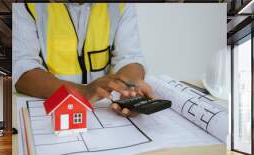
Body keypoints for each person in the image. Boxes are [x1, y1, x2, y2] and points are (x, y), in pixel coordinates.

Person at [13, 3, 154, 116]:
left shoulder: (122, 5)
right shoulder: (26, 5)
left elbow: (130, 57)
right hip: (49, 107)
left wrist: (130, 89)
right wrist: (82, 92)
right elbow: (22, 69)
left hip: (102, 110)